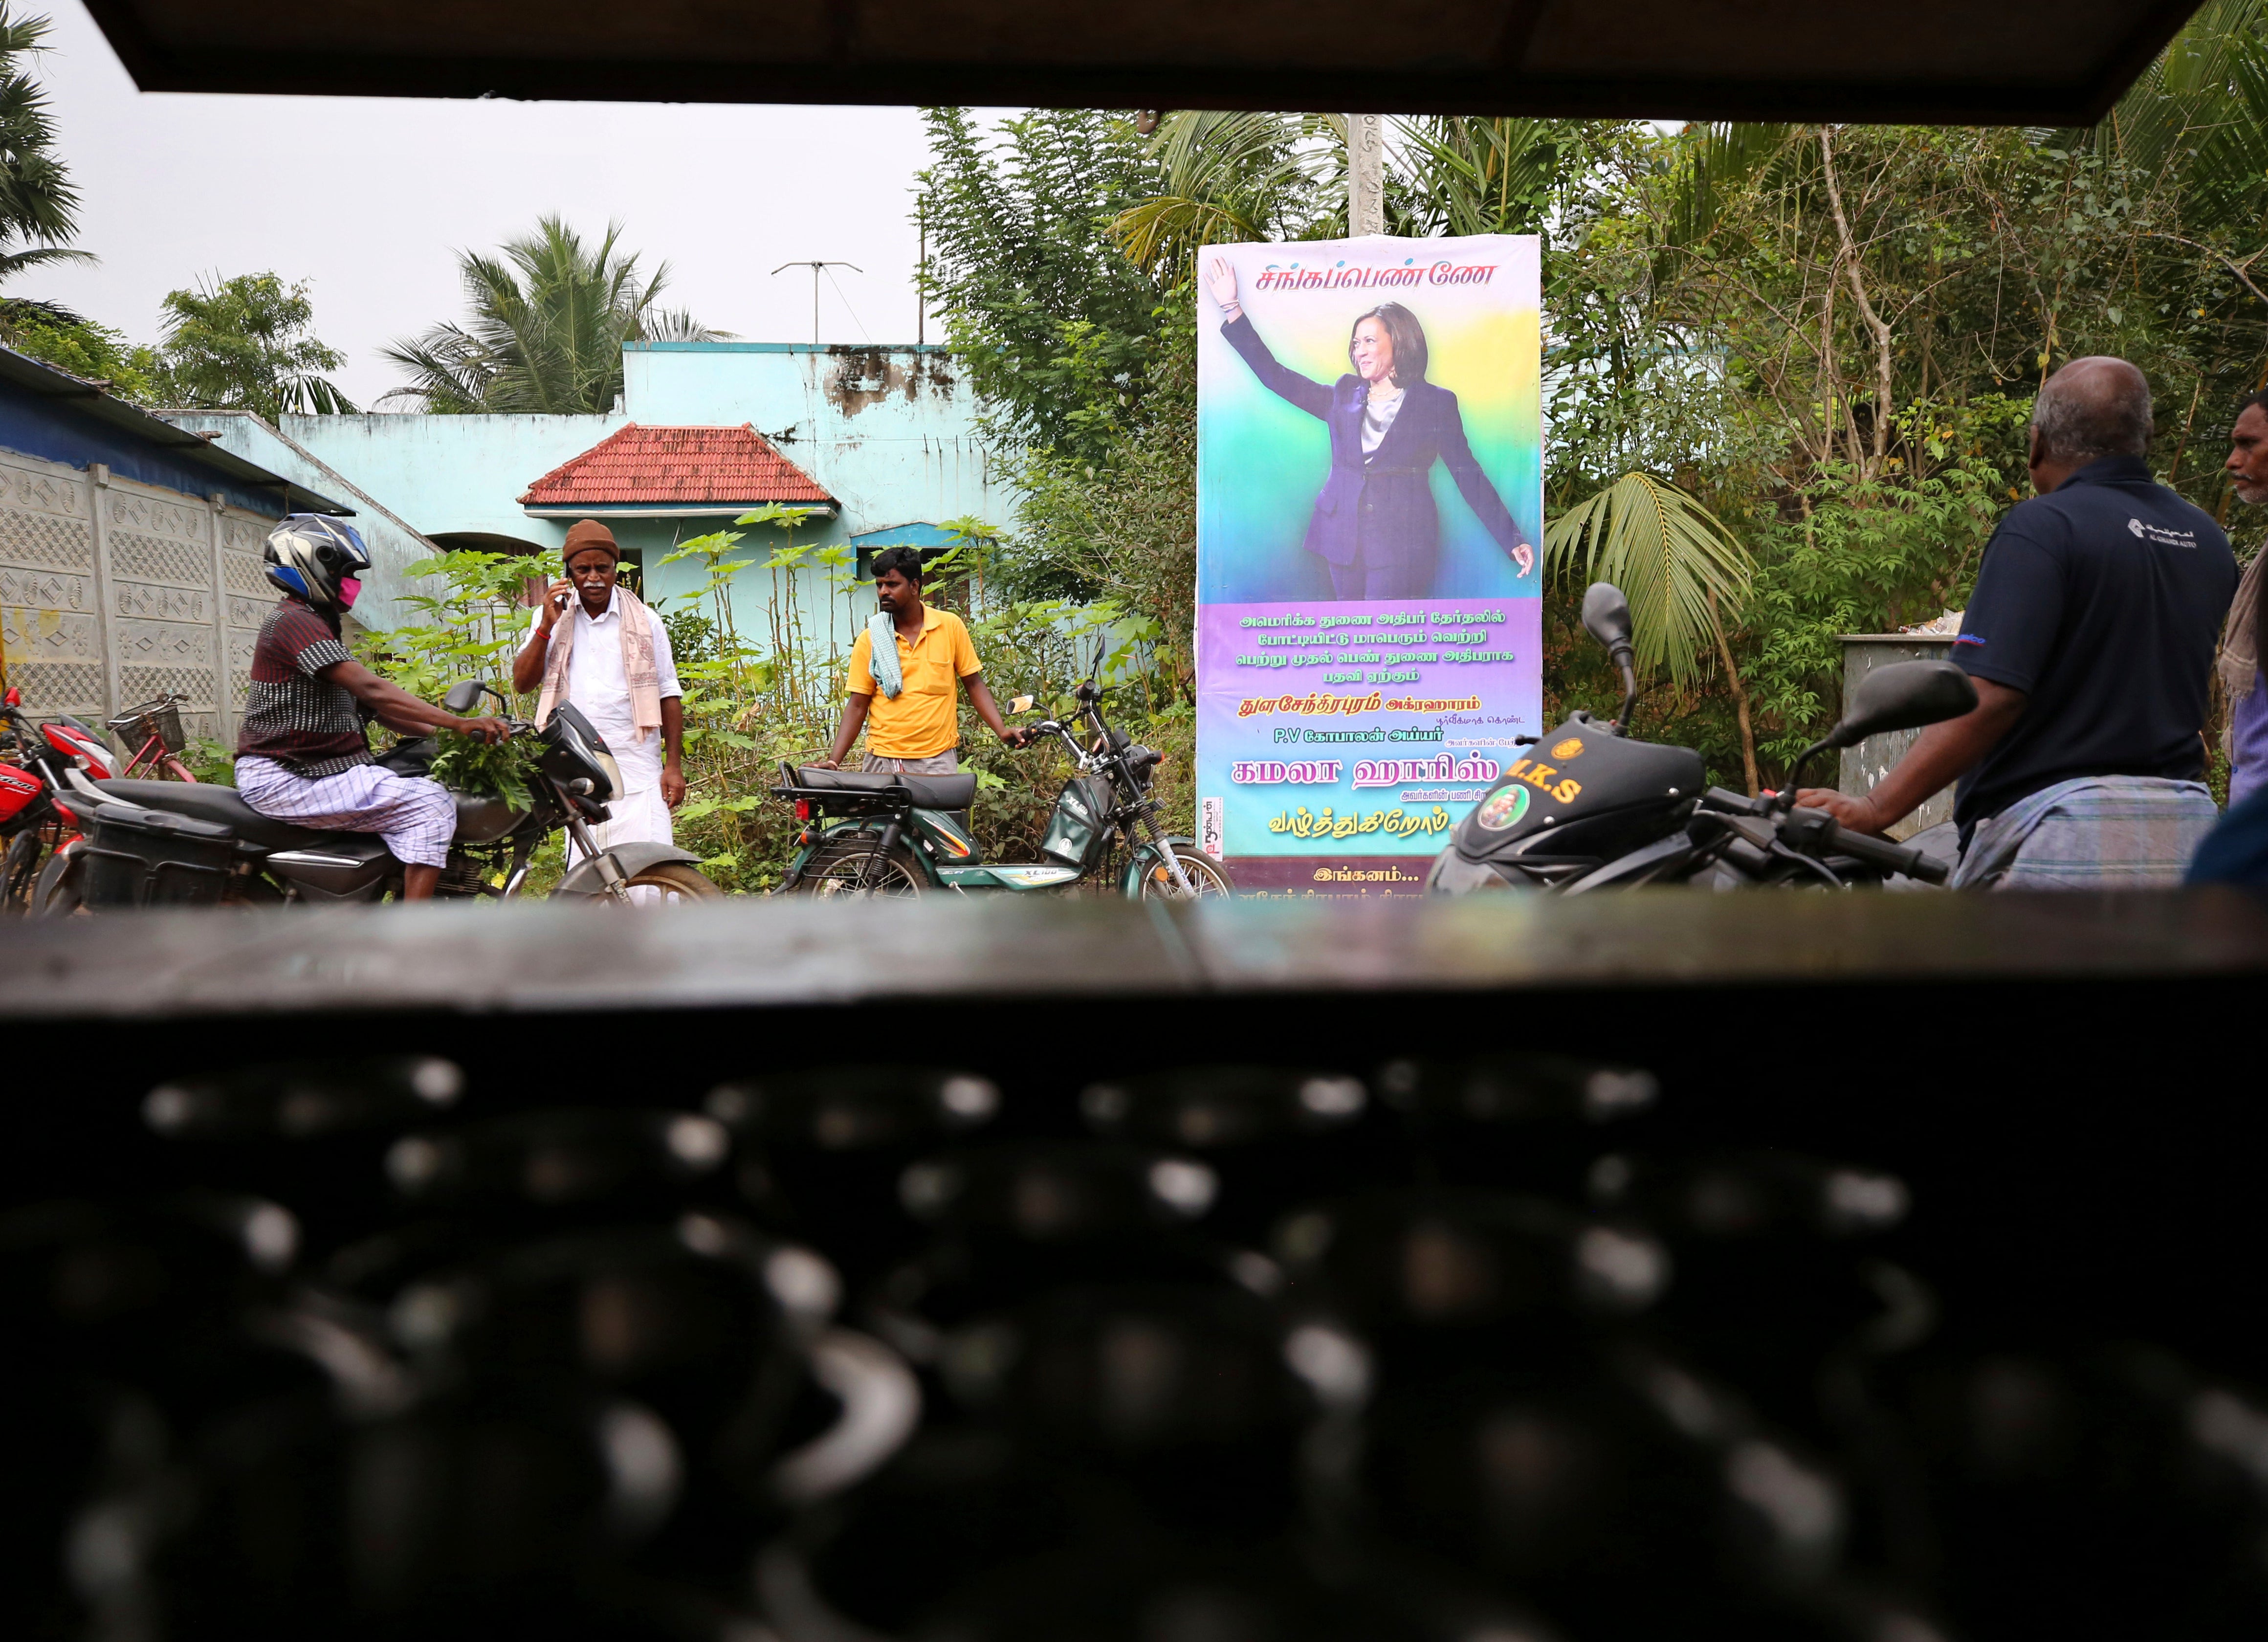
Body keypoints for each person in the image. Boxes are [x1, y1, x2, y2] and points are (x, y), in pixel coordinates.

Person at [1798, 356, 2237, 888]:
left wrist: (1872, 806)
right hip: (2188, 840)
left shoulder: (2042, 527)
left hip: (2064, 842)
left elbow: (1991, 694)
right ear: (2144, 435)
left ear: (2036, 444)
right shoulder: (2206, 538)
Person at [1204, 256, 1534, 600]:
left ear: (1400, 342)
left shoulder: (1436, 403)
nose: (1359, 351)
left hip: (1403, 543)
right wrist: (1231, 307)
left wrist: (1512, 537)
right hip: (1340, 538)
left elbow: (1468, 474)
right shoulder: (1343, 395)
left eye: (1369, 342)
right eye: (1356, 343)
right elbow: (1275, 377)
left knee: (1387, 642)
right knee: (1352, 642)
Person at [234, 514, 510, 901]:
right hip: (287, 774)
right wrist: (456, 723)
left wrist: (451, 737)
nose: (352, 584)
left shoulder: (315, 622)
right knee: (431, 804)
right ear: (312, 564)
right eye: (344, 571)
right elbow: (373, 690)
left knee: (421, 781)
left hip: (307, 771)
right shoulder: (292, 622)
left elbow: (376, 709)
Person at [512, 519, 685, 863]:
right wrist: (547, 626)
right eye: (583, 569)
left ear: (615, 570)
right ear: (569, 574)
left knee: (653, 862)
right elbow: (522, 683)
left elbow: (668, 692)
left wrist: (674, 766)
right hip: (576, 762)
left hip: (638, 761)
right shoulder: (549, 617)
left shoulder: (645, 620)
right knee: (588, 872)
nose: (593, 577)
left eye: (602, 568)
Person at [815, 546, 1027, 775]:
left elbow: (973, 683)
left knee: (940, 813)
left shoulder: (950, 627)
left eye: (892, 584)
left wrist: (1001, 730)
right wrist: (834, 762)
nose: (883, 592)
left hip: (938, 759)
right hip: (885, 759)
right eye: (879, 585)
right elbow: (858, 704)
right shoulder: (872, 638)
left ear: (915, 586)